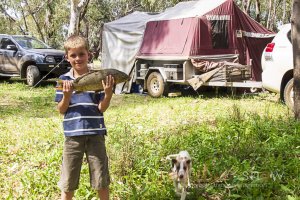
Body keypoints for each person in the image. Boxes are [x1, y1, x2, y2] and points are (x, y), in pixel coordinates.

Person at [55, 35, 114, 200]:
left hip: (96, 134)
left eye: (81, 54)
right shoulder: (64, 80)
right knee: (68, 180)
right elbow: (61, 109)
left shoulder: (99, 78)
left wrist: (108, 94)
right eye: (73, 55)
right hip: (73, 136)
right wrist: (66, 96)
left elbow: (101, 108)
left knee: (101, 179)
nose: (78, 58)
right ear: (67, 57)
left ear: (89, 54)